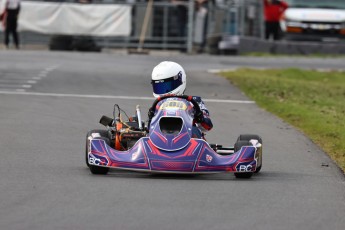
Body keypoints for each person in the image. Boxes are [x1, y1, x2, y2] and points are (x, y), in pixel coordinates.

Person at [150, 61, 213, 138]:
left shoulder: (195, 102)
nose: (164, 92)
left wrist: (200, 118)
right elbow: (150, 127)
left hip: (190, 141)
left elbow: (208, 126)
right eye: (159, 87)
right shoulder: (157, 105)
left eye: (167, 86)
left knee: (194, 130)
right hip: (160, 139)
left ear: (180, 80)